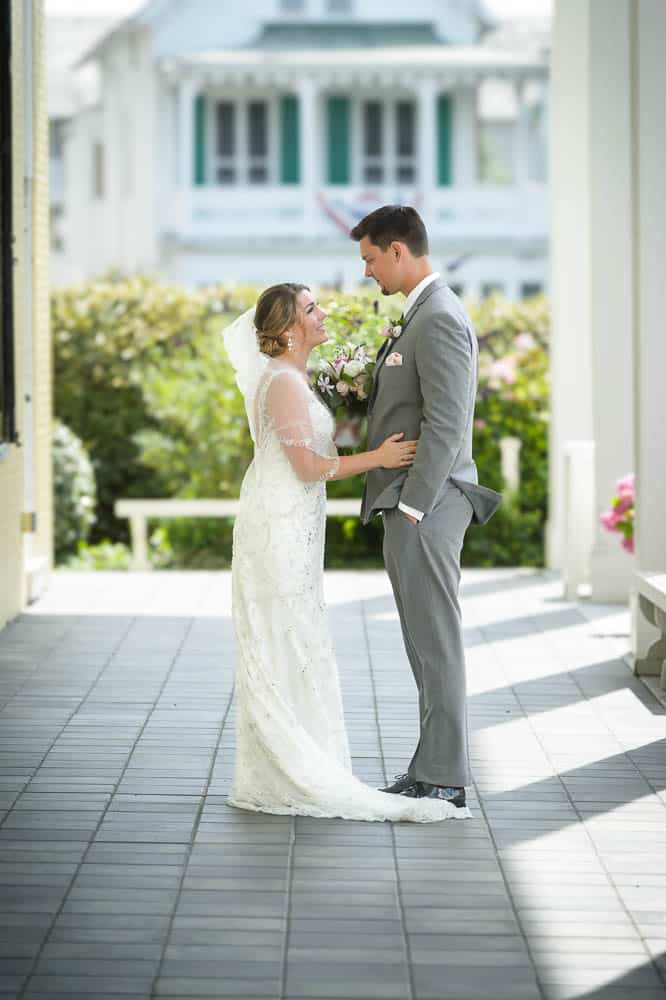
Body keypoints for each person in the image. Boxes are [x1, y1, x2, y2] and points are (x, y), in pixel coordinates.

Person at [223, 282, 471, 822]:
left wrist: (361, 407)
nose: (323, 313)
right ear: (289, 328)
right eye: (312, 309)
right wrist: (378, 456)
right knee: (285, 631)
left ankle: (301, 756)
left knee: (298, 632)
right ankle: (290, 763)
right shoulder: (283, 383)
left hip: (296, 520)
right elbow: (308, 468)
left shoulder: (297, 379)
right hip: (280, 522)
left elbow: (319, 446)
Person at [350, 205, 502, 808]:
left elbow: (447, 422)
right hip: (412, 503)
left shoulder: (438, 317)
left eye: (368, 259)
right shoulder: (419, 315)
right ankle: (431, 767)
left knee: (436, 642)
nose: (366, 272)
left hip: (428, 504)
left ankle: (444, 776)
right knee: (422, 643)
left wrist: (414, 505)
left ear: (397, 251)